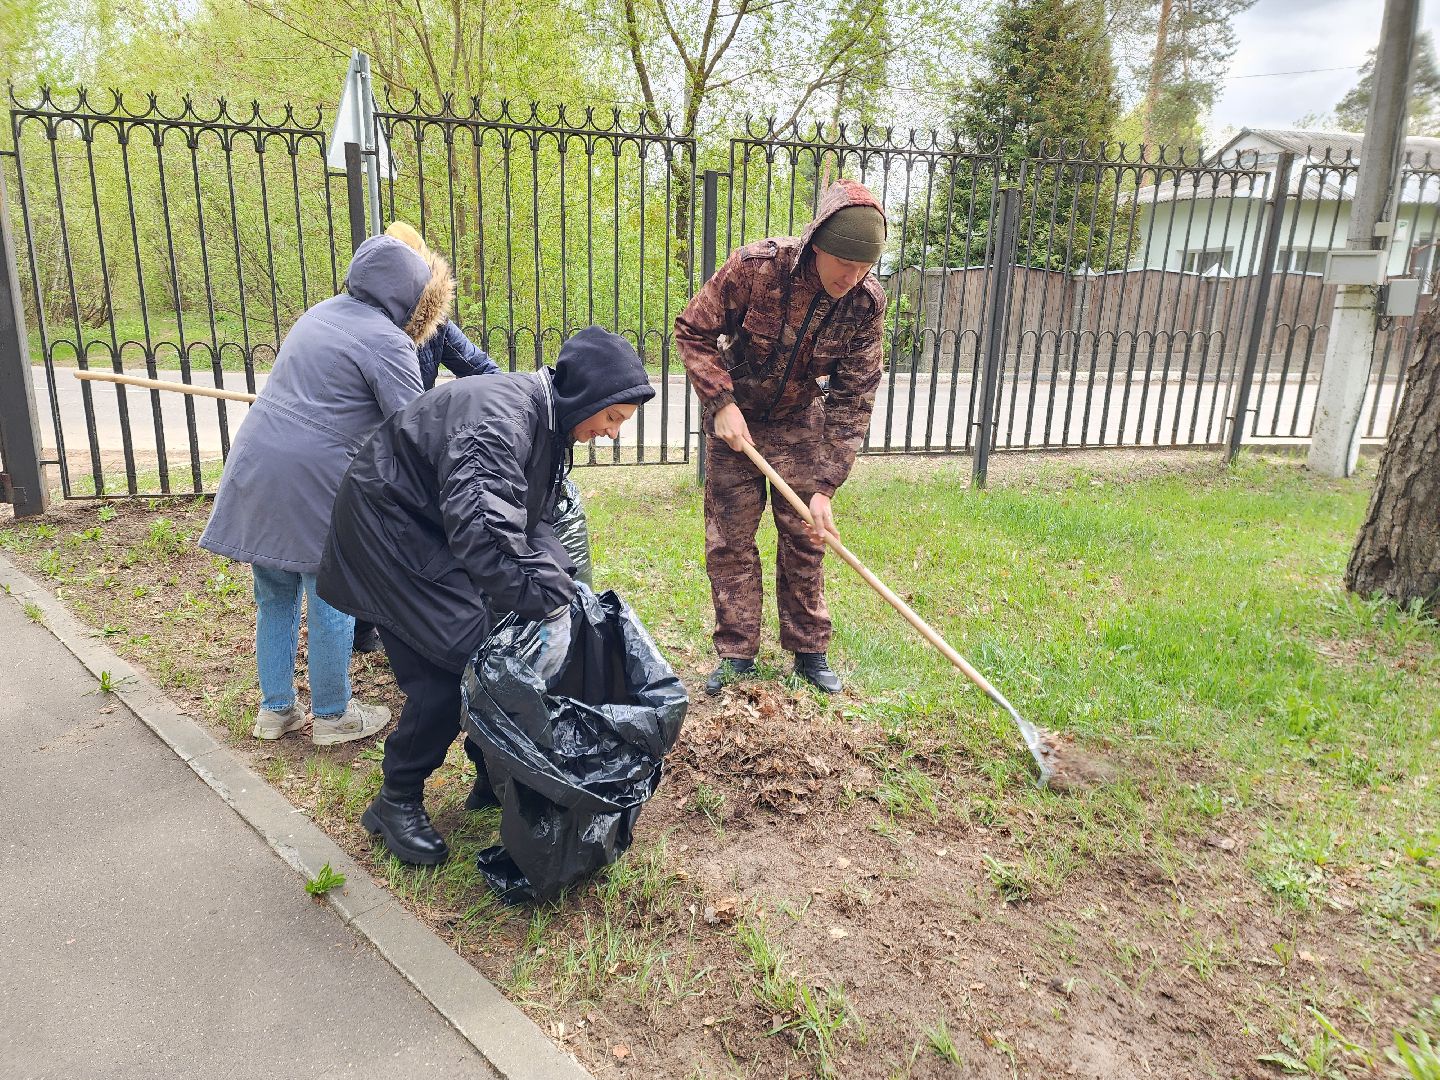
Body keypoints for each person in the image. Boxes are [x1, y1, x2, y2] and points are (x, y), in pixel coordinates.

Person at [317, 326, 655, 865]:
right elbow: (486, 534)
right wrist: (546, 604)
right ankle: (395, 801)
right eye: (612, 418)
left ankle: (491, 772)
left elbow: (529, 522)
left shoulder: (544, 423)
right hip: (387, 537)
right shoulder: (500, 423)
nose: (613, 433)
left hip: (428, 531)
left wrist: (564, 590)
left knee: (497, 650)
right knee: (450, 669)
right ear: (584, 397)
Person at [199, 227, 454, 743]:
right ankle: (334, 717)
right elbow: (413, 430)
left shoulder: (318, 314)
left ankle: (275, 711)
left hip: (258, 463)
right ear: (410, 294)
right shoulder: (388, 340)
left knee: (274, 593)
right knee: (332, 593)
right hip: (314, 479)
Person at [674, 178, 887, 696]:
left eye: (864, 268)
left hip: (800, 426)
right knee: (729, 543)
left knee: (806, 539)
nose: (852, 277)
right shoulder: (755, 269)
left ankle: (809, 652)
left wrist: (826, 487)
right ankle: (737, 654)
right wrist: (720, 403)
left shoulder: (865, 304)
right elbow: (691, 330)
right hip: (737, 427)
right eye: (844, 264)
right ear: (818, 246)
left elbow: (853, 396)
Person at [350, 313, 501, 654]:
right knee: (369, 532)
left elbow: (480, 368)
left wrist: (509, 403)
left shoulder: (437, 326)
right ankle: (360, 625)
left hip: (413, 440)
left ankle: (416, 623)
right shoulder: (367, 325)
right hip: (366, 443)